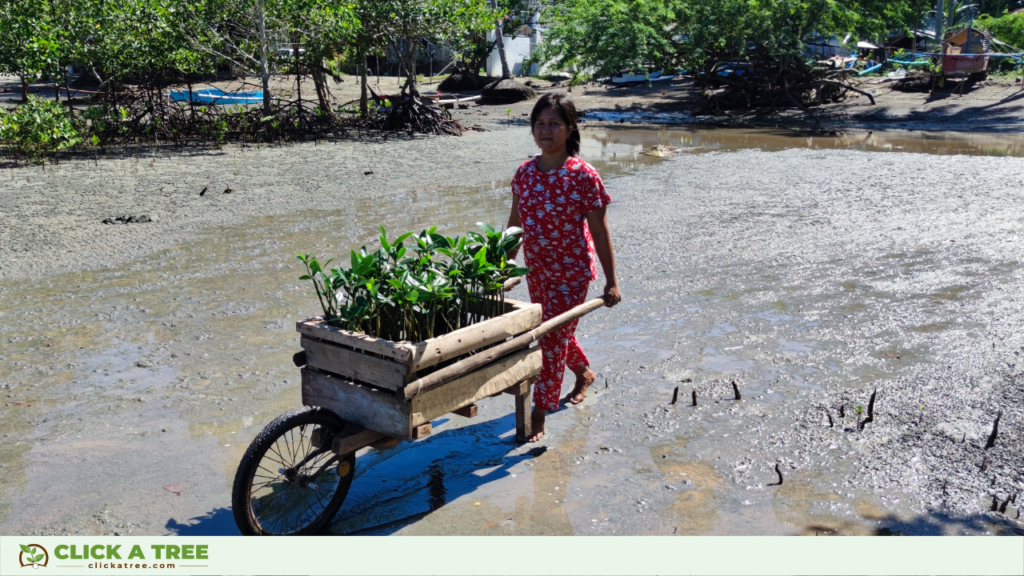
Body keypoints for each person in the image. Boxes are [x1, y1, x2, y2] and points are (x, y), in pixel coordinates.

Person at [505, 91, 621, 443]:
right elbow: (514, 226)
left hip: (572, 274)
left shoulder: (584, 176)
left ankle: (540, 412)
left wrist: (612, 282)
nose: (546, 130)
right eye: (540, 123)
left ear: (570, 128)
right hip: (536, 269)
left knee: (551, 341)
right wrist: (502, 268)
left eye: (554, 123)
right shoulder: (524, 174)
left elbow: (600, 231)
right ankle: (583, 373)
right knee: (552, 330)